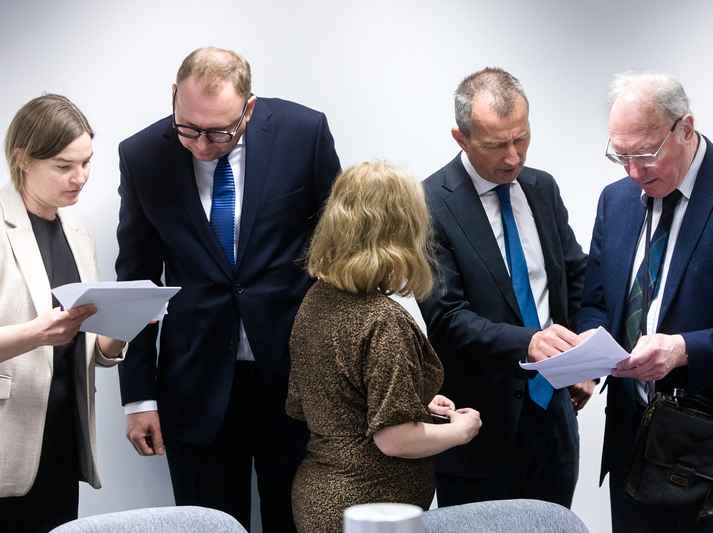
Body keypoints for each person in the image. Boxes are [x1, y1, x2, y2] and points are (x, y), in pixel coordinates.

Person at [115, 47, 340, 531]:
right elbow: (137, 280)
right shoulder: (141, 155)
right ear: (173, 96)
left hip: (298, 382)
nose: (200, 144)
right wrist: (138, 397)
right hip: (194, 386)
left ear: (249, 108)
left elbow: (341, 255)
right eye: (188, 128)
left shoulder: (304, 133)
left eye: (219, 132)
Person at [579, 71, 713, 533]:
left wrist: (684, 350)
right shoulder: (615, 201)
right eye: (621, 156)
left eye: (645, 154)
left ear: (685, 128)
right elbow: (597, 302)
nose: (634, 172)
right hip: (633, 440)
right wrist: (586, 355)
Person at [417, 67, 590, 508]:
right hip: (479, 428)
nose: (513, 157)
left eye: (522, 138)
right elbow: (447, 319)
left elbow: (577, 278)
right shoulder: (428, 204)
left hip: (555, 416)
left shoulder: (541, 188)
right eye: (497, 145)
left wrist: (583, 361)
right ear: (461, 138)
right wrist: (528, 343)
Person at [286, 161, 481, 533]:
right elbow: (394, 439)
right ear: (402, 230)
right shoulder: (383, 321)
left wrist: (412, 402)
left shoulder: (317, 299)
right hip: (367, 509)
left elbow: (325, 401)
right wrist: (461, 430)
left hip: (319, 497)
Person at [0, 94, 126, 533]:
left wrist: (124, 324)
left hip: (62, 438)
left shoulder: (79, 235)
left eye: (87, 162)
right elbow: (45, 335)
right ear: (22, 159)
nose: (80, 178)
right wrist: (37, 334)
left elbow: (92, 348)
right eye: (63, 166)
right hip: (7, 437)